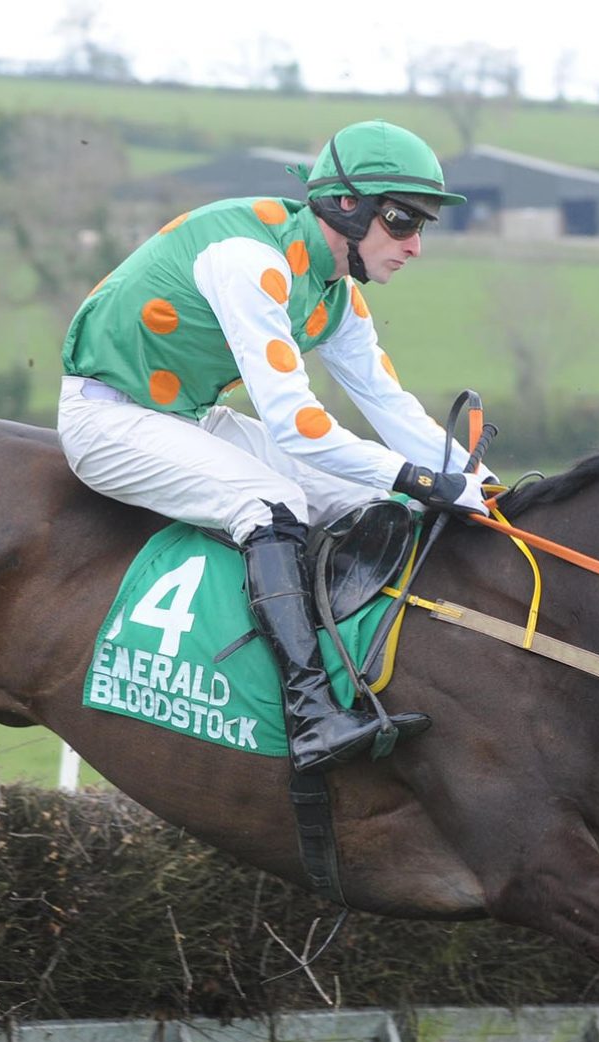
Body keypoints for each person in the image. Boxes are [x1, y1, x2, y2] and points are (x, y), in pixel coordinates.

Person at [58, 120, 489, 773]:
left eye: (422, 225)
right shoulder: (250, 261)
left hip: (184, 418)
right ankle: (310, 713)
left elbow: (392, 408)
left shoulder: (337, 295)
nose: (415, 246)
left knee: (365, 496)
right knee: (273, 502)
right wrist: (418, 478)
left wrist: (478, 483)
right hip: (105, 421)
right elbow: (294, 422)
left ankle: (363, 671)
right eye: (402, 221)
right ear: (346, 206)